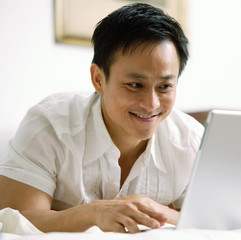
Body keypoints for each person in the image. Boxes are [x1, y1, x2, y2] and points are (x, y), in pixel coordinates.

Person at [0, 3, 203, 233]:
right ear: (98, 79)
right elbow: (13, 222)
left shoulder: (193, 141)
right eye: (135, 85)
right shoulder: (50, 126)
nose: (151, 104)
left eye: (165, 86)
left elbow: (221, 225)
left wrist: (156, 211)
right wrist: (92, 213)